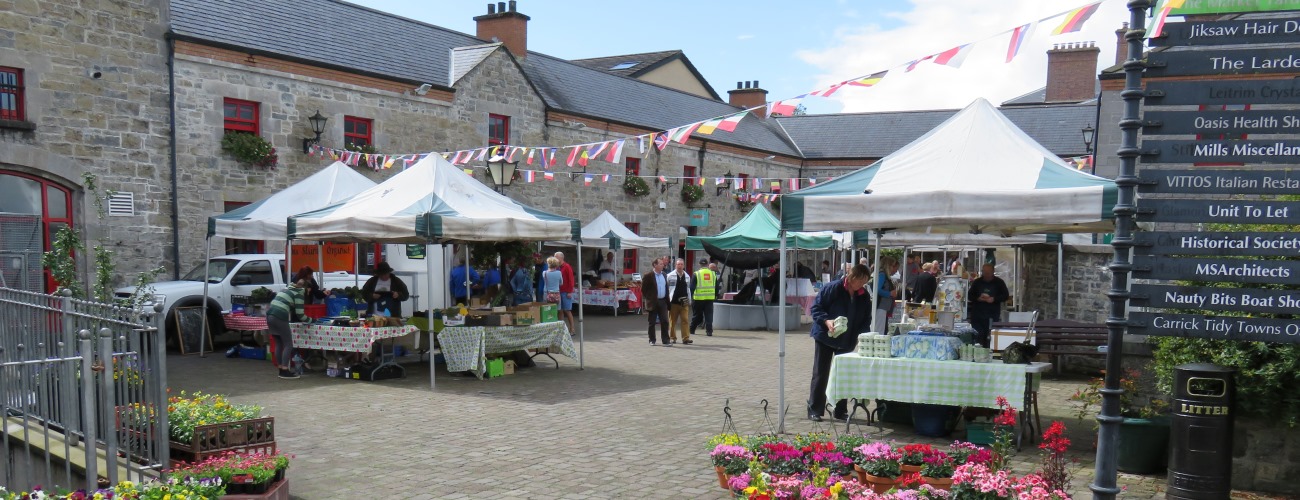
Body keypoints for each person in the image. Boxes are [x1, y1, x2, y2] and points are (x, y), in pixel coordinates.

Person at [807, 264, 872, 421]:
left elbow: (865, 319)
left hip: (847, 339)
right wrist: (826, 321)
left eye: (865, 282)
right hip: (825, 336)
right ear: (852, 277)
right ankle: (814, 410)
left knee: (843, 375)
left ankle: (840, 410)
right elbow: (816, 308)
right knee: (821, 374)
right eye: (860, 281)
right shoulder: (833, 288)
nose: (862, 285)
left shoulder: (863, 295)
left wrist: (862, 336)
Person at [267, 279, 307, 379]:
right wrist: (312, 320)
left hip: (269, 315)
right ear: (307, 288)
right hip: (280, 316)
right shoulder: (299, 293)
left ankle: (280, 369)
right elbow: (300, 314)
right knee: (288, 344)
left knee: (278, 343)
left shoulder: (286, 289)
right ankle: (285, 370)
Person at [967, 263, 1009, 348]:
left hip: (992, 315)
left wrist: (994, 299)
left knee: (990, 338)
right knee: (978, 336)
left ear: (993, 272)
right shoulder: (977, 282)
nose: (986, 274)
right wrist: (978, 298)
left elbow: (1005, 296)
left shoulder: (999, 282)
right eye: (984, 272)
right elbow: (970, 295)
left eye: (988, 272)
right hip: (977, 316)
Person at [640, 258, 671, 346]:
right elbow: (643, 289)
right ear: (655, 265)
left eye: (662, 264)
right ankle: (652, 340)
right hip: (653, 301)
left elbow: (666, 288)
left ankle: (666, 340)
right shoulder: (648, 275)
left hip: (663, 301)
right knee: (652, 322)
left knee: (665, 321)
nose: (663, 265)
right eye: (660, 264)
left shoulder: (664, 275)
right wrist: (649, 298)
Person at [665, 258, 693, 345]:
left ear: (684, 266)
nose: (680, 266)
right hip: (673, 302)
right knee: (673, 321)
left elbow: (688, 289)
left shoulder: (687, 276)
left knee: (685, 320)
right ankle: (673, 337)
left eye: (681, 264)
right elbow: (667, 288)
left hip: (684, 302)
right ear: (675, 265)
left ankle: (685, 338)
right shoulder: (669, 276)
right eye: (678, 264)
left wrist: (689, 300)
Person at [690, 258, 717, 338]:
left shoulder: (696, 274)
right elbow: (716, 287)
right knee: (709, 316)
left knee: (696, 315)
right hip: (709, 298)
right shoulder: (713, 274)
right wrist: (715, 295)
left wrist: (691, 297)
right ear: (707, 264)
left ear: (699, 264)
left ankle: (692, 329)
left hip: (698, 299)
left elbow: (692, 287)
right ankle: (709, 331)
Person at [873, 257, 900, 333]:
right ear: (888, 266)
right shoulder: (882, 275)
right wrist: (889, 293)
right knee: (879, 330)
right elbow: (877, 289)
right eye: (892, 266)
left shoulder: (883, 275)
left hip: (883, 306)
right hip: (881, 306)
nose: (893, 269)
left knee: (880, 329)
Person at [554, 251, 576, 335]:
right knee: (560, 311)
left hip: (566, 292)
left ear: (561, 258)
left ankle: (572, 329)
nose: (555, 259)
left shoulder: (567, 267)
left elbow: (571, 279)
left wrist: (570, 291)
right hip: (558, 291)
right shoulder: (556, 267)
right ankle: (562, 329)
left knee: (567, 310)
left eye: (556, 257)